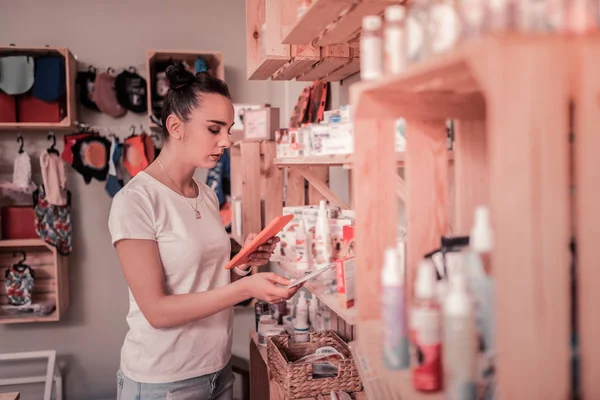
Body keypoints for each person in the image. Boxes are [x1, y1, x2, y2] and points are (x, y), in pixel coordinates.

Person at [108, 62, 299, 400]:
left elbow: (205, 284)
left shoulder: (206, 193)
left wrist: (241, 265)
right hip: (164, 381)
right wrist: (246, 290)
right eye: (214, 129)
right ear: (175, 127)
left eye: (229, 128)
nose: (226, 140)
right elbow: (157, 311)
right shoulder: (136, 201)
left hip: (216, 371)